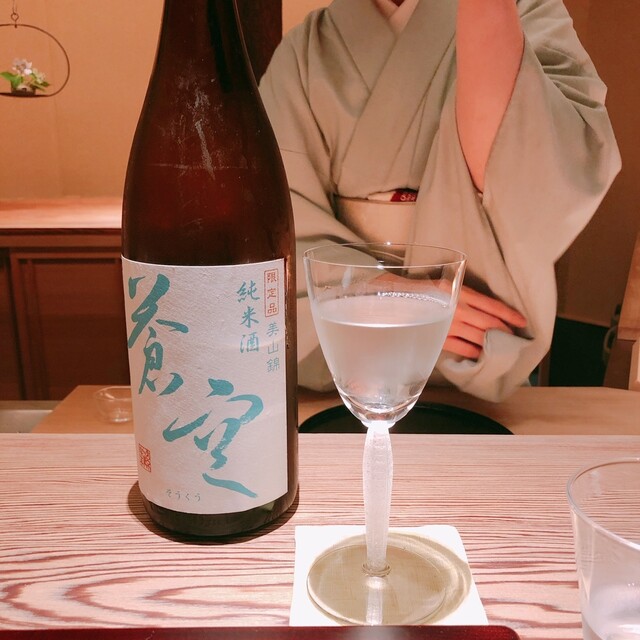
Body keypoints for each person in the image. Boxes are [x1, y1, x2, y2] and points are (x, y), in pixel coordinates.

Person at [258, 0, 621, 401]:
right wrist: (391, 302)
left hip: (481, 373)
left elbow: (536, 178)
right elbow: (269, 236)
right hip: (346, 375)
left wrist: (488, 13)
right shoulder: (305, 54)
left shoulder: (525, 10)